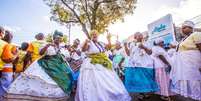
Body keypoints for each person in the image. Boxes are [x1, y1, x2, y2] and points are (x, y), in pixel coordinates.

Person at [4, 31, 73, 101]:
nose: (59, 39)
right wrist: (47, 46)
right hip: (46, 66)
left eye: (60, 38)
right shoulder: (47, 44)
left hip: (60, 67)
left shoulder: (63, 47)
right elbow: (41, 53)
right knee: (42, 82)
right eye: (57, 37)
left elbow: (67, 57)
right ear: (54, 38)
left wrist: (66, 49)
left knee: (61, 82)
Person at [75, 30, 131, 101]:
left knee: (107, 80)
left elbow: (109, 47)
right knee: (96, 81)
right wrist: (86, 42)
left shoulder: (100, 43)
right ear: (91, 35)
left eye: (96, 34)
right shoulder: (89, 43)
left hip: (102, 62)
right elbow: (83, 50)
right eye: (93, 34)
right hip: (92, 63)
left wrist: (108, 39)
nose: (95, 35)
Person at [170, 21, 201, 101]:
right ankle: (196, 98)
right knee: (191, 83)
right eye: (182, 28)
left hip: (193, 64)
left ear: (191, 28)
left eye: (184, 27)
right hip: (185, 67)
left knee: (196, 82)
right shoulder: (183, 39)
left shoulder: (196, 34)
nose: (182, 30)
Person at [124, 32, 158, 100]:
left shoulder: (147, 43)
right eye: (138, 35)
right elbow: (128, 54)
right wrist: (125, 46)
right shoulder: (132, 45)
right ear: (135, 37)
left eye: (141, 35)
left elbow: (150, 52)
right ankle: (141, 94)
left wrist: (143, 47)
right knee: (138, 80)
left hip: (146, 65)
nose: (140, 36)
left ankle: (146, 92)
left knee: (146, 79)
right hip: (136, 65)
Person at [0, 31, 18, 97]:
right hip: (7, 68)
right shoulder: (12, 46)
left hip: (3, 67)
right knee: (4, 86)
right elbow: (12, 60)